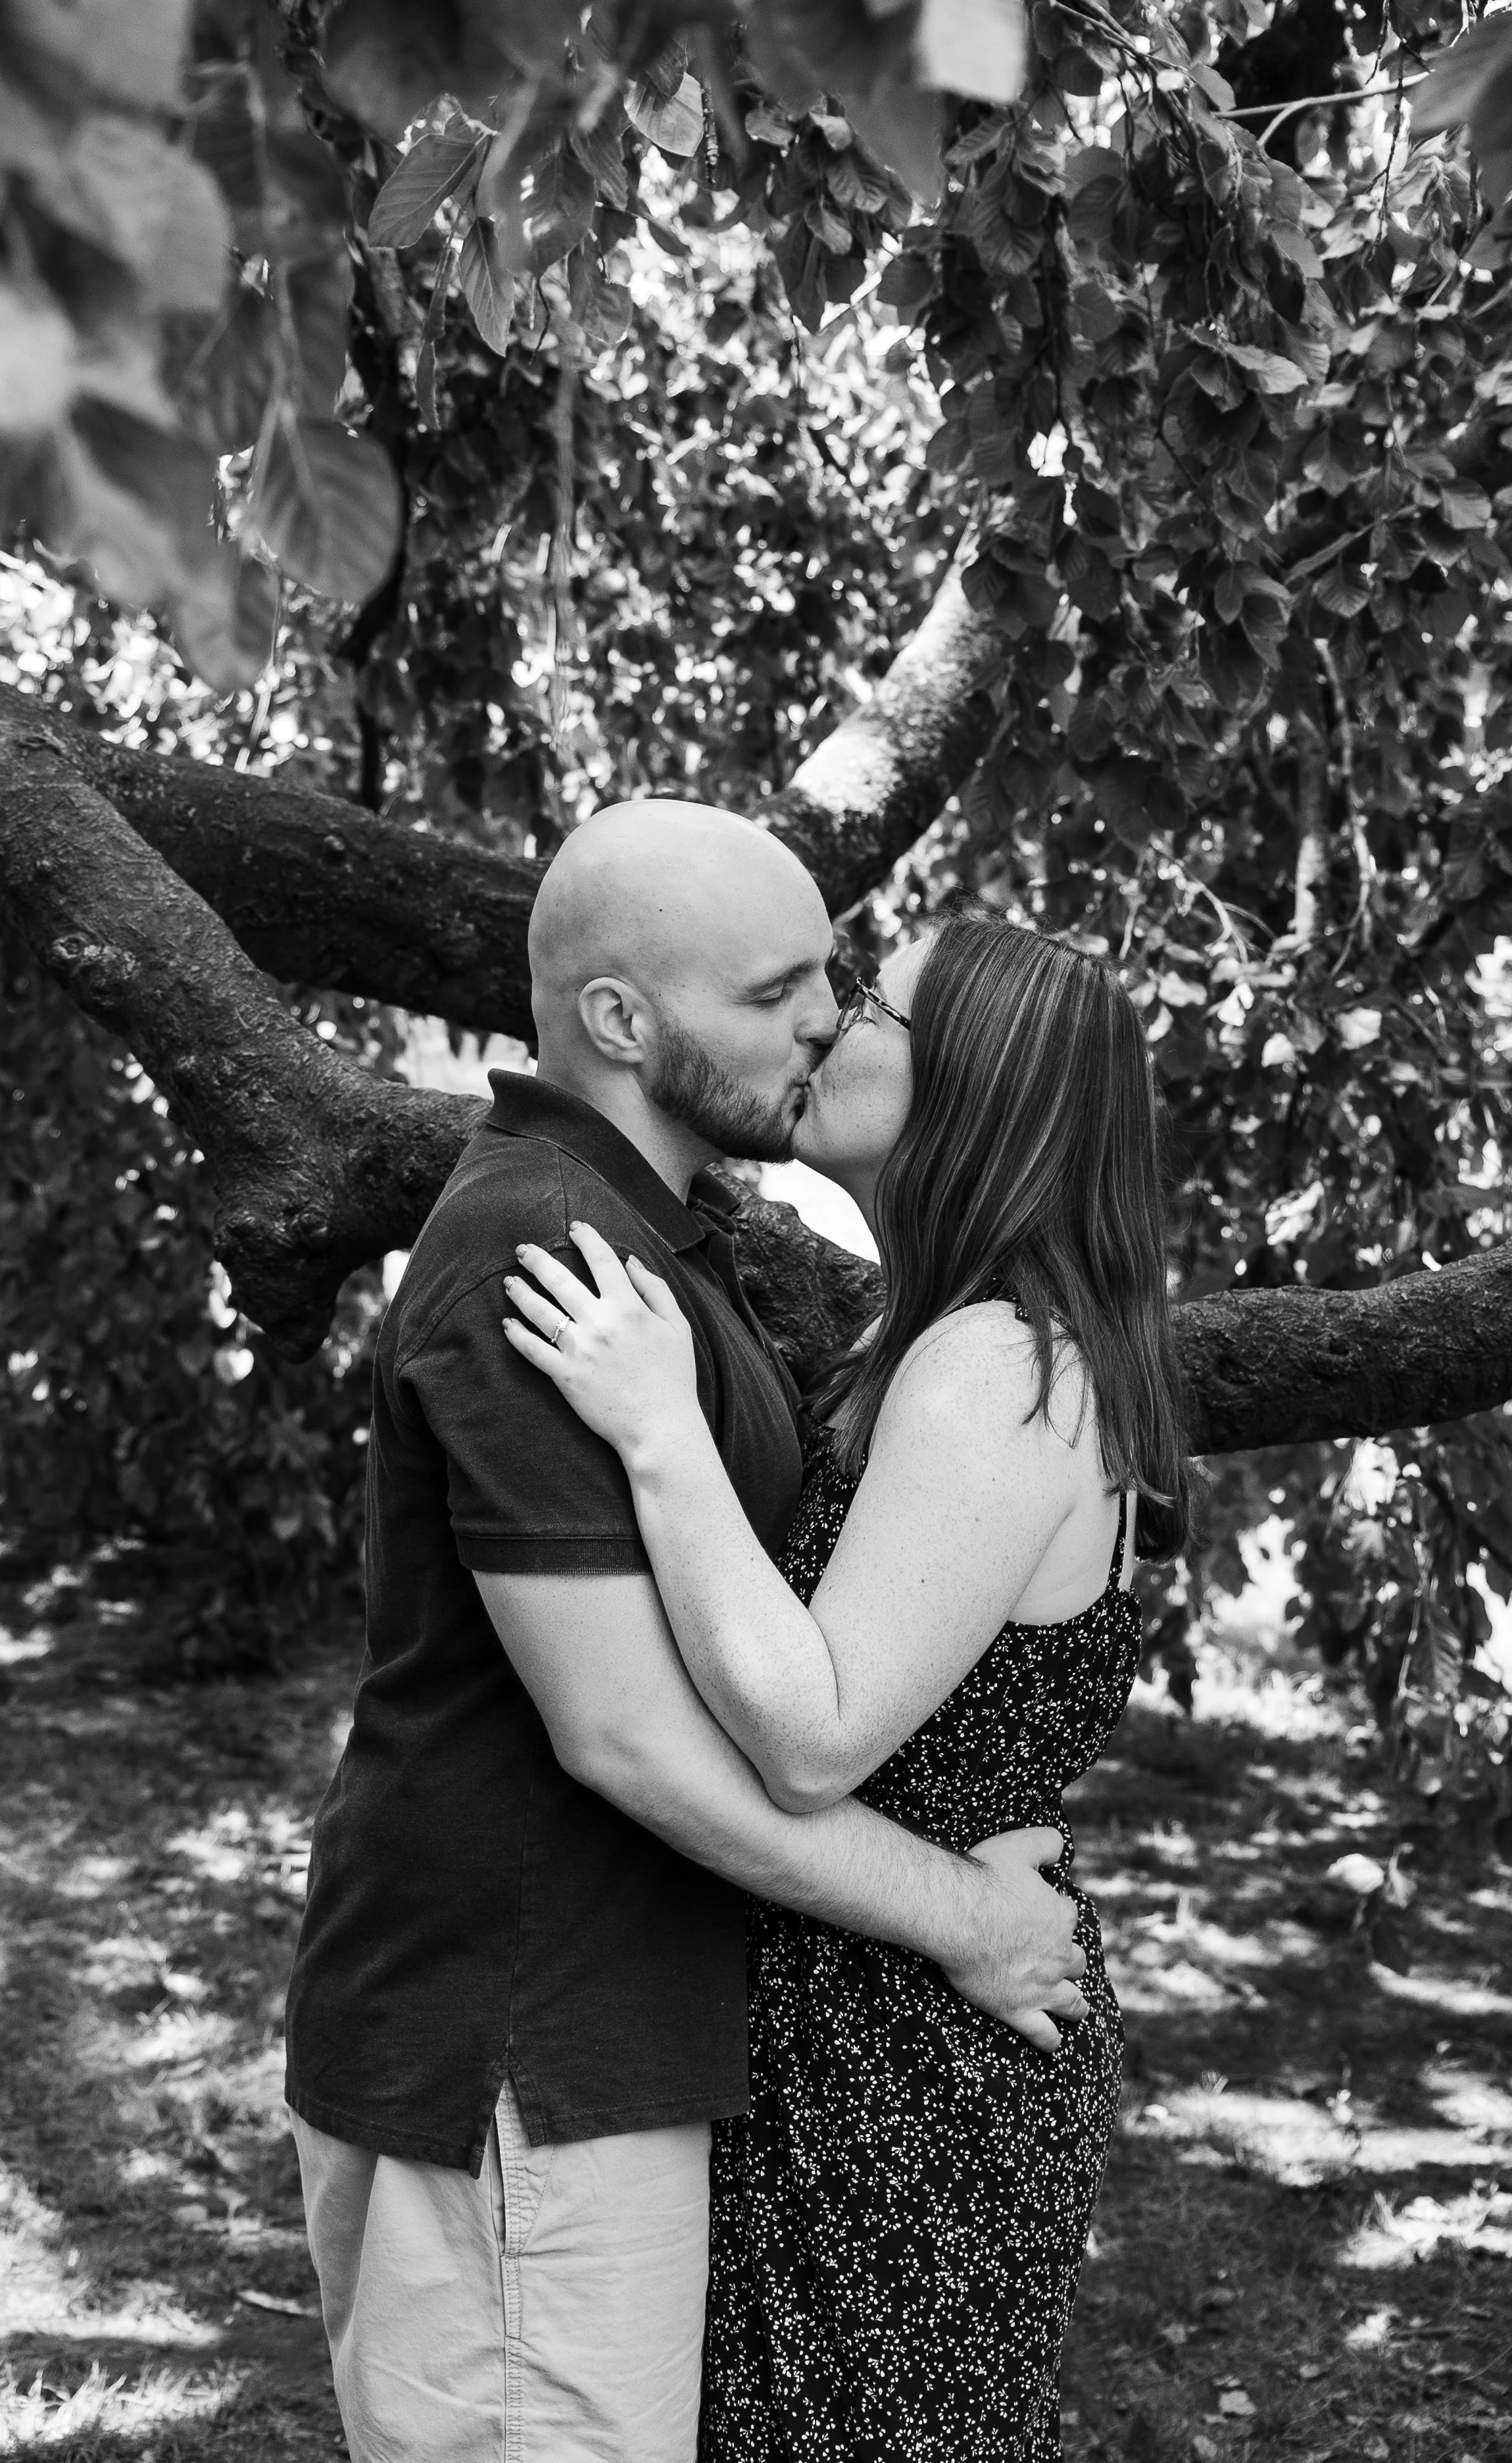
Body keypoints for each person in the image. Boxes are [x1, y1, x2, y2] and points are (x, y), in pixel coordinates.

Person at [284, 810, 1092, 2463]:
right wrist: (967, 1919)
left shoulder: (679, 1245)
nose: (823, 1018)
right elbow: (629, 1736)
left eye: (845, 984)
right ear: (624, 1024)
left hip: (614, 2047)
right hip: (523, 2049)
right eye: (783, 986)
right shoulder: (546, 1253)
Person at [503, 907, 1196, 2462]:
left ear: (973, 1087)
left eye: (872, 997)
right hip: (867, 2007)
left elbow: (816, 1741)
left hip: (909, 2064)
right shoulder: (944, 1337)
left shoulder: (997, 1371)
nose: (824, 1017)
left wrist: (657, 1427)